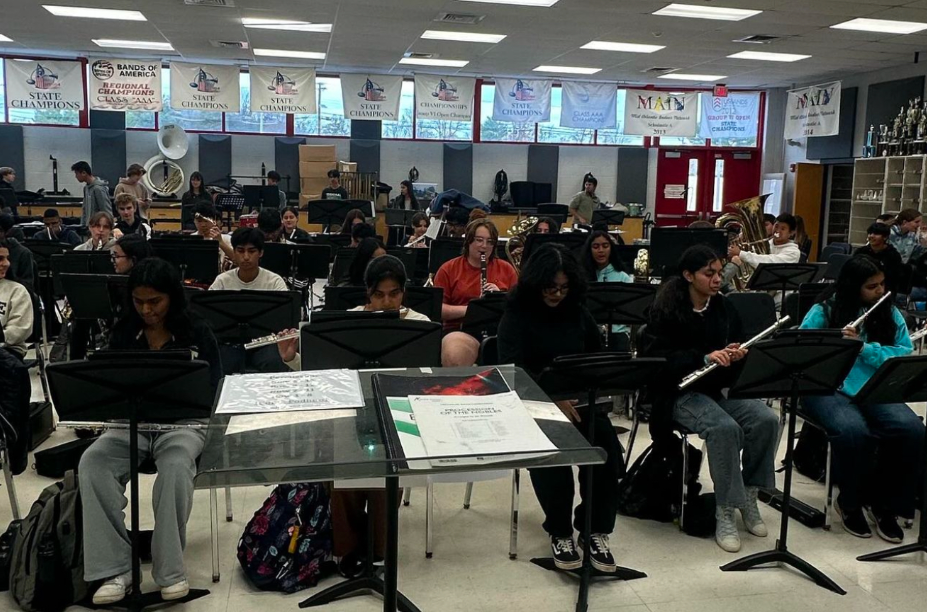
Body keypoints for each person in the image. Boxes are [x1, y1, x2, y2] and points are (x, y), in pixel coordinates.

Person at [79, 257, 221, 605]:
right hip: (132, 422)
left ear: (171, 297)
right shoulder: (123, 332)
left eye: (155, 301)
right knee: (92, 462)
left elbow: (214, 386)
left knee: (174, 468)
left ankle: (170, 570)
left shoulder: (197, 330)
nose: (146, 309)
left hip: (183, 424)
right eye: (138, 301)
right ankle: (115, 569)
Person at [644, 244, 778, 553]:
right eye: (709, 274)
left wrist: (738, 355)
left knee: (766, 419)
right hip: (676, 393)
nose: (717, 279)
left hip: (714, 390)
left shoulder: (723, 308)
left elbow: (733, 363)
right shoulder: (665, 309)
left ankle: (749, 494)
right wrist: (702, 358)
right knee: (723, 428)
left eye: (719, 273)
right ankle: (725, 510)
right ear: (689, 275)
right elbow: (656, 360)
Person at [497, 243, 620, 571]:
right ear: (536, 283)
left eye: (564, 288)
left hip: (578, 400)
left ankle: (594, 529)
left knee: (608, 454)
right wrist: (552, 398)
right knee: (555, 461)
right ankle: (560, 531)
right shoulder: (517, 313)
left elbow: (596, 353)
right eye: (550, 288)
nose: (557, 294)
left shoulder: (577, 309)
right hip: (533, 402)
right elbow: (511, 371)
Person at [799, 256, 923, 543]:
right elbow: (803, 351)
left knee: (911, 429)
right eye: (871, 287)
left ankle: (886, 505)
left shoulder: (889, 314)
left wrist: (864, 348)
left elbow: (903, 354)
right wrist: (836, 346)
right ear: (853, 287)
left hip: (875, 386)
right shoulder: (824, 311)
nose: (880, 291)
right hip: (827, 388)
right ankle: (850, 502)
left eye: (882, 284)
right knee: (854, 432)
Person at [435, 219, 518, 367]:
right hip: (461, 330)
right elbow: (437, 309)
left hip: (499, 331)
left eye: (490, 242)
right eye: (479, 240)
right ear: (468, 241)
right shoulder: (448, 269)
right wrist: (472, 309)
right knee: (455, 353)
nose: (484, 246)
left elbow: (519, 306)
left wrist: (500, 297)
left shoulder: (507, 269)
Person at [209, 227, 288, 374]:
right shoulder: (222, 281)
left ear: (261, 253)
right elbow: (207, 315)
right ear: (234, 252)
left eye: (251, 251)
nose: (246, 257)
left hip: (265, 343)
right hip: (230, 343)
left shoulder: (274, 281)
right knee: (217, 365)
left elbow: (285, 319)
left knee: (274, 363)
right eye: (240, 251)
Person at [582, 230, 633, 351]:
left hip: (617, 335)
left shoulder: (623, 277)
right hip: (590, 333)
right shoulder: (582, 276)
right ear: (589, 250)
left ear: (611, 249)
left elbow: (630, 312)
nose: (601, 250)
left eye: (605, 246)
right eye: (596, 246)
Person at [0, 239, 33, 360]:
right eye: (0, 259)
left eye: (7, 258)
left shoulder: (17, 290)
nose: (6, 263)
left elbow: (20, 330)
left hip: (9, 351)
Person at [854, 223, 903, 295]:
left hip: (884, 290)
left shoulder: (893, 255)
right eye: (870, 233)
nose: (871, 236)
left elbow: (893, 279)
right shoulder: (861, 252)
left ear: (885, 237)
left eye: (876, 234)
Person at [0, 215, 34, 292]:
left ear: (4, 233)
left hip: (12, 296)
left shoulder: (22, 253)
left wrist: (10, 276)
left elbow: (28, 288)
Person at [72, 161, 113, 225]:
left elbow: (106, 211)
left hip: (98, 228)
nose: (76, 176)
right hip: (88, 227)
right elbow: (85, 210)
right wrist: (82, 225)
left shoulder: (98, 189)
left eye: (76, 174)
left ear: (84, 173)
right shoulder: (86, 188)